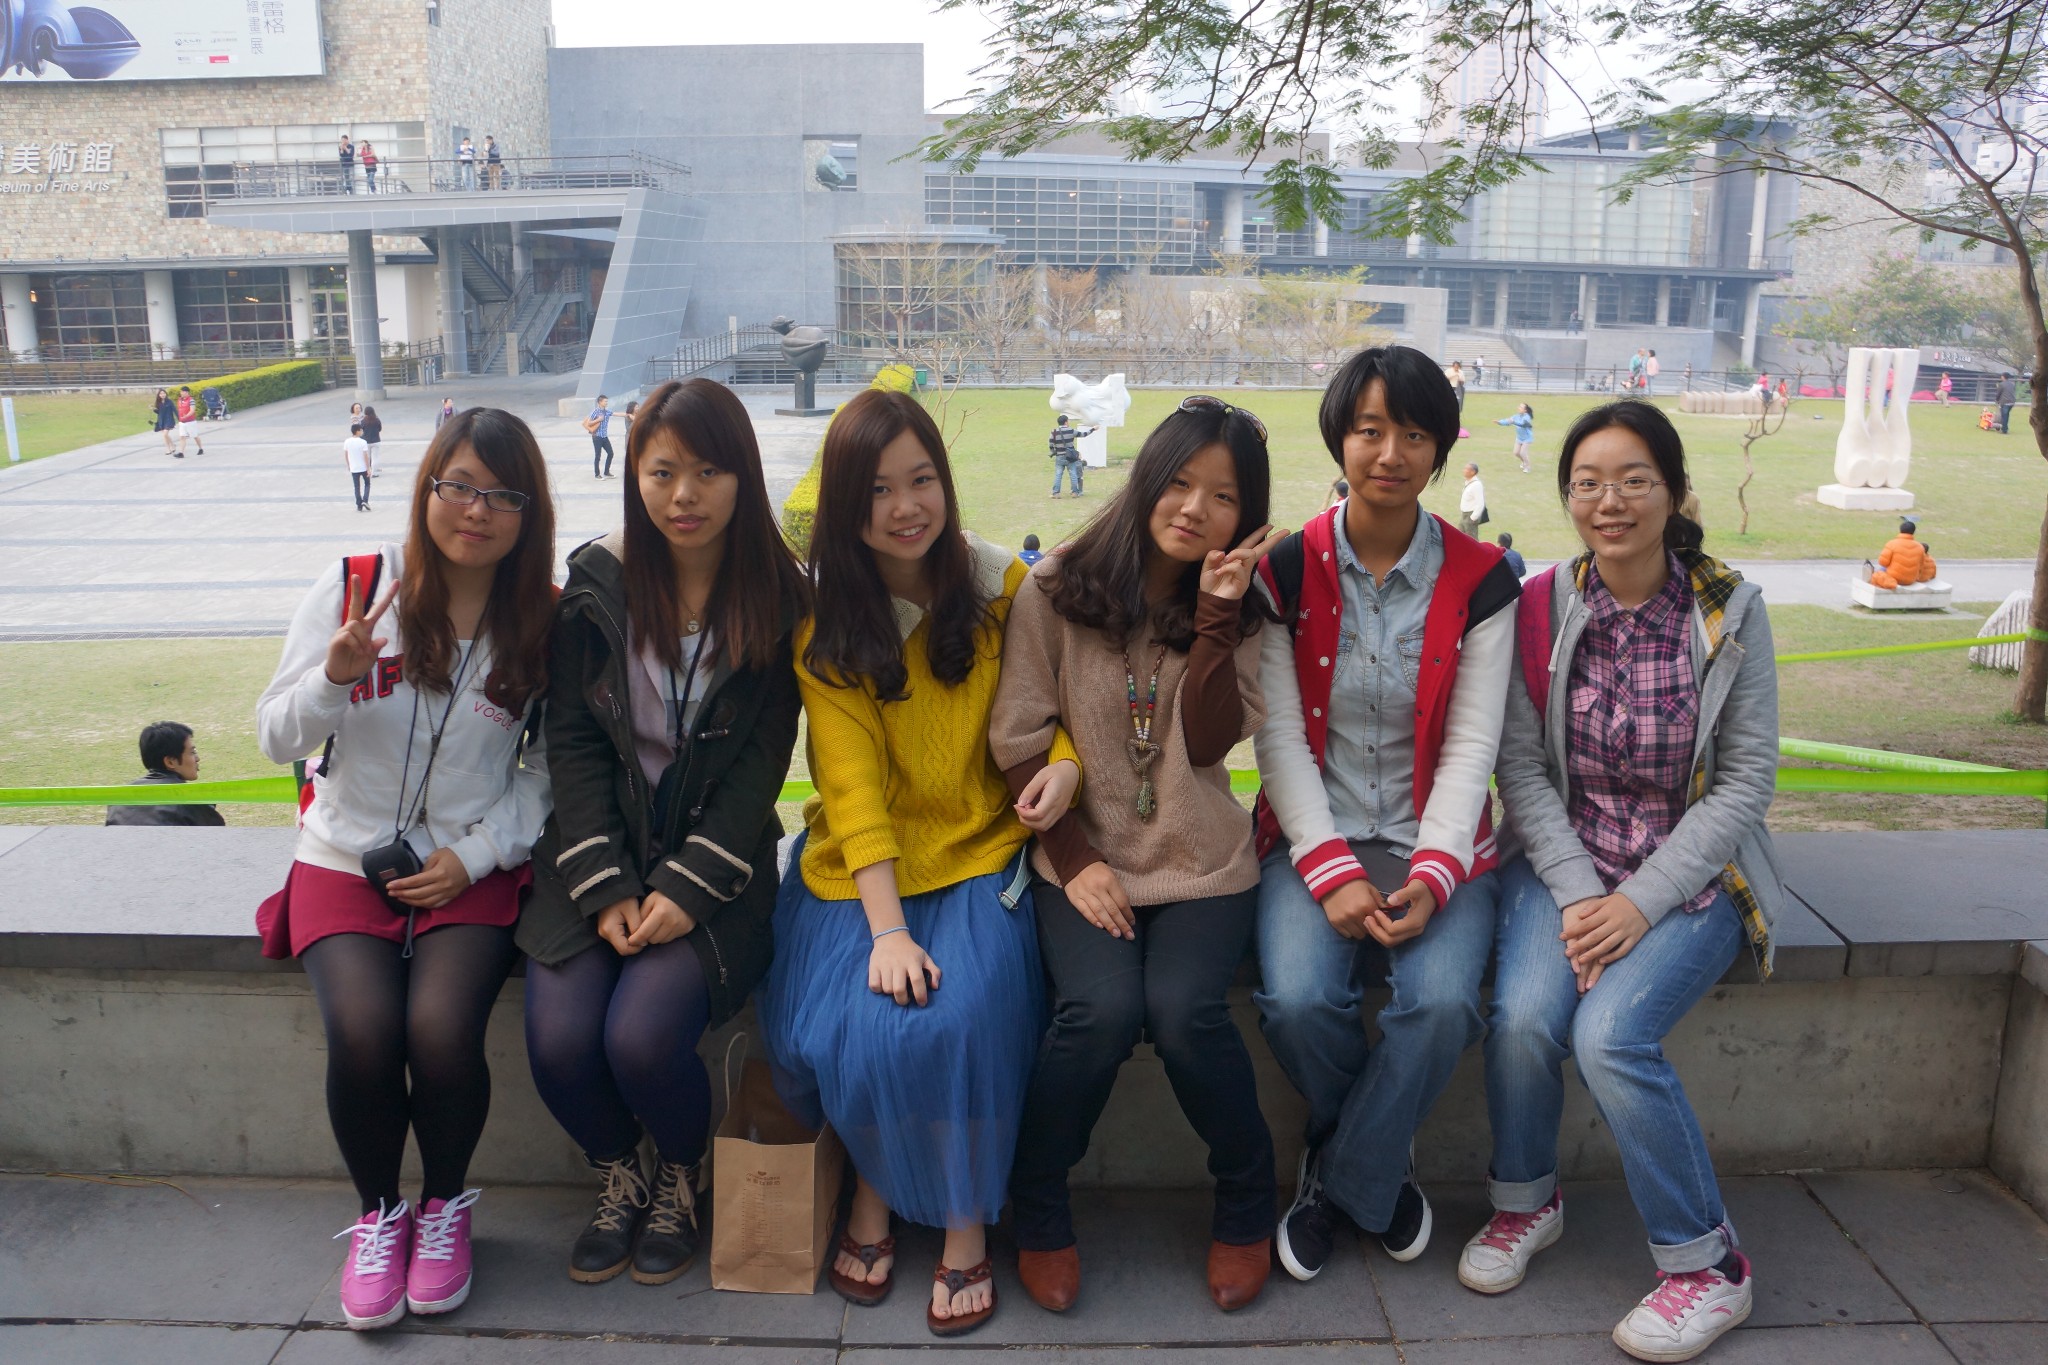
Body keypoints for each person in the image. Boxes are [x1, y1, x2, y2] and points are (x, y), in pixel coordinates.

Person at [1462, 398, 1782, 1364]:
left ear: (1674, 492)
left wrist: (1638, 902)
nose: (1611, 501)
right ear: (1568, 497)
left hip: (1692, 873)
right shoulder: (1540, 605)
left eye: (1635, 480)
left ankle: (1709, 1264)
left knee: (1609, 1034)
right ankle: (1526, 1200)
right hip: (1567, 859)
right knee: (1524, 1016)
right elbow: (1520, 769)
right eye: (1589, 483)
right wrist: (1578, 893)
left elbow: (1745, 782)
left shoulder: (1730, 611)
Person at [254, 408, 559, 1332]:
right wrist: (333, 678)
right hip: (344, 857)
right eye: (457, 485)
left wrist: (474, 855)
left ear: (529, 512)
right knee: (362, 1030)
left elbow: (548, 772)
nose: (476, 511)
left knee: (439, 1028)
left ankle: (445, 1208)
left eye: (502, 495)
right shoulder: (358, 585)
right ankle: (380, 1214)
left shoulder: (544, 619)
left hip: (469, 861)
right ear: (426, 487)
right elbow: (275, 736)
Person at [761, 387, 1057, 1337]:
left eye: (921, 479)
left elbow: (1056, 712)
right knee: (857, 1023)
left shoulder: (1005, 588)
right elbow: (851, 792)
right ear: (846, 506)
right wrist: (886, 930)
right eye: (878, 490)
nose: (905, 507)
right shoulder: (828, 627)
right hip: (860, 868)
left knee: (964, 1019)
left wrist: (1063, 768)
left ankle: (964, 1219)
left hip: (978, 848)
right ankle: (875, 1187)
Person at [991, 397, 1287, 1315]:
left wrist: (1217, 614)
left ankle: (1247, 1198)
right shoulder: (1055, 587)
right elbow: (1017, 736)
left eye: (1224, 496)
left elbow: (1209, 743)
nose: (1196, 508)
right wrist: (1076, 857)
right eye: (1181, 482)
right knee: (1100, 1010)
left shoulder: (1244, 611)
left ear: (1247, 514)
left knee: (1187, 1011)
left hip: (1201, 859)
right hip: (1083, 859)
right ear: (1146, 477)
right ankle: (1039, 1204)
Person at [520, 378, 809, 1288]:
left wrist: (684, 889)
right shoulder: (597, 586)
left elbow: (761, 766)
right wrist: (604, 882)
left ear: (743, 475)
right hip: (593, 854)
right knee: (561, 1043)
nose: (684, 495)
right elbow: (571, 742)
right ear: (634, 475)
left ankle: (683, 1169)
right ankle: (623, 1168)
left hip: (716, 869)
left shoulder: (779, 598)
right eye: (662, 471)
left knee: (641, 1039)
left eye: (708, 471)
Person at [1252, 344, 1520, 1283]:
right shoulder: (1286, 569)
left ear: (1440, 447)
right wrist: (1329, 871)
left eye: (1413, 433)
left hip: (1436, 840)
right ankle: (1376, 1158)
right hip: (1312, 833)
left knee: (1443, 1002)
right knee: (1294, 1000)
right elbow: (1278, 737)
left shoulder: (1484, 577)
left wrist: (1435, 875)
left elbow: (1474, 743)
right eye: (1370, 430)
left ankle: (1340, 1174)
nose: (1390, 453)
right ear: (1340, 438)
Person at [105, 721, 226, 827]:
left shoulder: (118, 799)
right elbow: (217, 837)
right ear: (170, 762)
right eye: (192, 752)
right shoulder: (191, 800)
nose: (197, 758)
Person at [1049, 413, 1091, 498]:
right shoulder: (1071, 431)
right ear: (1065, 422)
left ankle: (1056, 493)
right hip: (1070, 457)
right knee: (1073, 474)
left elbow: (1051, 444)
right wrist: (1093, 429)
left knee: (1058, 475)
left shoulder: (1054, 432)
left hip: (1059, 456)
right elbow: (1083, 434)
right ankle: (1075, 492)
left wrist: (1054, 451)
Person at [585, 395, 616, 479]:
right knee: (598, 456)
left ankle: (606, 472)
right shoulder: (595, 412)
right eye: (605, 401)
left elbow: (616, 414)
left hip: (605, 437)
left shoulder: (607, 412)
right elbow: (588, 423)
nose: (606, 403)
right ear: (600, 402)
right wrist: (598, 420)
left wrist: (628, 414)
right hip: (597, 437)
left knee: (610, 453)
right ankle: (597, 474)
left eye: (607, 401)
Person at [1498, 402, 1535, 473]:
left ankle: (1528, 467)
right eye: (1519, 406)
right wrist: (1500, 422)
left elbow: (1522, 424)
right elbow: (1508, 421)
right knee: (1516, 453)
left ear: (1525, 410)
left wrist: (1513, 422)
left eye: (1521, 407)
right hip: (1519, 438)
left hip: (1527, 438)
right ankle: (1524, 462)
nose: (1519, 408)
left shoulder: (1527, 417)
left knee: (1523, 453)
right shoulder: (1516, 416)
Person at [346, 424, 373, 512]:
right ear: (357, 431)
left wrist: (349, 465)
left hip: (354, 468)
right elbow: (365, 456)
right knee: (367, 484)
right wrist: (368, 468)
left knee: (356, 487)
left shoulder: (347, 441)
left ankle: (359, 505)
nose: (362, 432)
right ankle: (365, 500)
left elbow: (346, 454)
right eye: (361, 430)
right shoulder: (363, 442)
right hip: (363, 467)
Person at [1459, 461, 1488, 538]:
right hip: (1464, 515)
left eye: (1467, 469)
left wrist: (1473, 517)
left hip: (1470, 516)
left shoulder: (1476, 485)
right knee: (1460, 536)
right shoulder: (1468, 483)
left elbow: (1480, 503)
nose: (1464, 470)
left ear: (1473, 472)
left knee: (1472, 539)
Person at [175, 386, 204, 457]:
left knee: (195, 436)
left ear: (187, 392)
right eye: (181, 391)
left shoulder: (191, 400)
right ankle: (181, 453)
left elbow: (192, 410)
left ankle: (200, 448)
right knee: (182, 437)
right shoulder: (179, 400)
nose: (181, 393)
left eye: (182, 392)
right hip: (182, 422)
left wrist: (186, 416)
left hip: (190, 422)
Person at [152, 387, 179, 457]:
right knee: (165, 435)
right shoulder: (158, 402)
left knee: (165, 434)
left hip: (169, 420)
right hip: (161, 420)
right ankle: (173, 445)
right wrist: (154, 410)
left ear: (166, 394)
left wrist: (179, 419)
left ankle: (168, 449)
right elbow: (159, 412)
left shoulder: (169, 401)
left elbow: (175, 410)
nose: (162, 395)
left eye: (164, 393)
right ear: (159, 395)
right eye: (161, 394)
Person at [362, 405, 384, 478]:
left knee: (367, 457)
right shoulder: (377, 420)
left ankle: (367, 472)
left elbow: (362, 429)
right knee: (375, 457)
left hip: (366, 441)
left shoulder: (363, 421)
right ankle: (374, 473)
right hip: (376, 441)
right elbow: (380, 429)